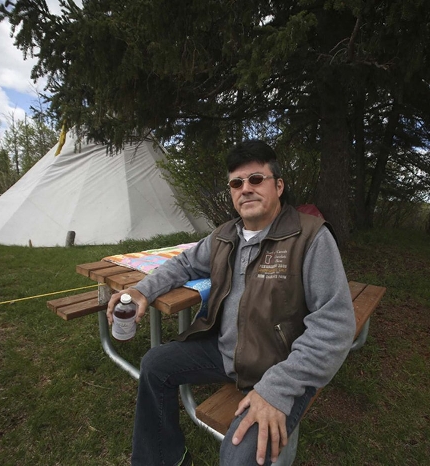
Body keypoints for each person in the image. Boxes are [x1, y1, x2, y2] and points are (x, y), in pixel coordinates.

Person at [107, 140, 355, 466]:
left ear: (278, 186)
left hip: (281, 368)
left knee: (239, 456)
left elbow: (335, 324)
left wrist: (276, 390)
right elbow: (182, 264)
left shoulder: (310, 237)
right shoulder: (226, 235)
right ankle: (162, 457)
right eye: (237, 183)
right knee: (155, 364)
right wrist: (143, 290)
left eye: (256, 179)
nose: (245, 189)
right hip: (225, 354)